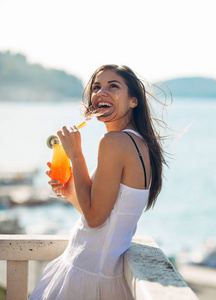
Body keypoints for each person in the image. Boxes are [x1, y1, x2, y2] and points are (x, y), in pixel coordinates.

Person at [28, 65, 167, 299]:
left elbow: (94, 219)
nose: (101, 92)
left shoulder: (113, 141)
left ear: (133, 100)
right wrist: (71, 190)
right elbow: (102, 214)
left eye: (113, 86)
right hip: (101, 272)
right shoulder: (139, 143)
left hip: (87, 273)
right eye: (96, 87)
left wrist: (76, 155)